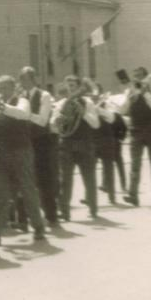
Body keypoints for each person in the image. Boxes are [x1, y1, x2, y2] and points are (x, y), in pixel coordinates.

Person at [0, 75, 46, 245]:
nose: (2, 91)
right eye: (0, 88)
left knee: (27, 190)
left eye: (5, 87)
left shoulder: (22, 101)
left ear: (13, 88)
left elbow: (23, 114)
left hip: (20, 152)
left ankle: (38, 226)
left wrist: (0, 105)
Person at [51, 75, 100, 220]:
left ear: (79, 88)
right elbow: (54, 127)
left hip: (85, 144)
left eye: (73, 86)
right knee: (65, 179)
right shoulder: (61, 104)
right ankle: (65, 211)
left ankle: (93, 209)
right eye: (68, 86)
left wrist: (83, 112)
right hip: (66, 144)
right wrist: (58, 120)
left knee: (89, 178)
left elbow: (95, 124)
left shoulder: (87, 102)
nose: (70, 89)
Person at [19, 67, 60, 226]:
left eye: (25, 79)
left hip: (41, 141)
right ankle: (24, 217)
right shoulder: (20, 96)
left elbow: (43, 120)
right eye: (21, 79)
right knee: (24, 179)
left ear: (34, 79)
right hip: (24, 140)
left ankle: (51, 215)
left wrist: (24, 114)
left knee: (44, 179)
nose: (23, 82)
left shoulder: (44, 95)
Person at [120, 67, 151, 205]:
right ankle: (133, 195)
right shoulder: (130, 91)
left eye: (139, 76)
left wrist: (144, 92)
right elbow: (122, 110)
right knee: (134, 164)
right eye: (135, 76)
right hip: (136, 130)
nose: (136, 79)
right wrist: (130, 97)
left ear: (145, 77)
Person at [92, 88, 117, 205]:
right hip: (93, 141)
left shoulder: (106, 105)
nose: (94, 97)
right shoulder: (89, 106)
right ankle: (89, 198)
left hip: (107, 141)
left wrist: (99, 108)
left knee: (109, 170)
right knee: (89, 170)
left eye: (96, 95)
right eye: (92, 95)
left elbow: (112, 118)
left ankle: (112, 197)